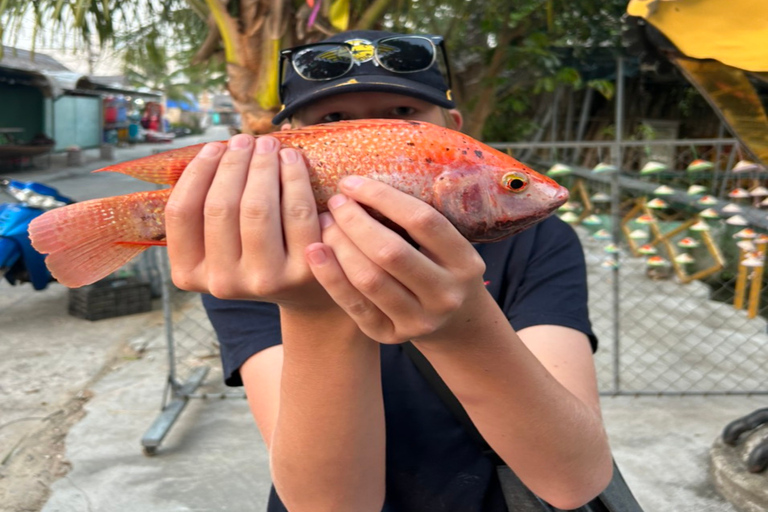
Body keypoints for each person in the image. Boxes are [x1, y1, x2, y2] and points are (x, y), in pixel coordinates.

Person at [165, 29, 613, 512]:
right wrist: (313, 309)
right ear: (285, 149)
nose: (375, 140)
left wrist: (464, 326)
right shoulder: (252, 260)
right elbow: (330, 505)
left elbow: (575, 480)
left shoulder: (539, 242)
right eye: (332, 121)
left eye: (404, 116)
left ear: (455, 134)